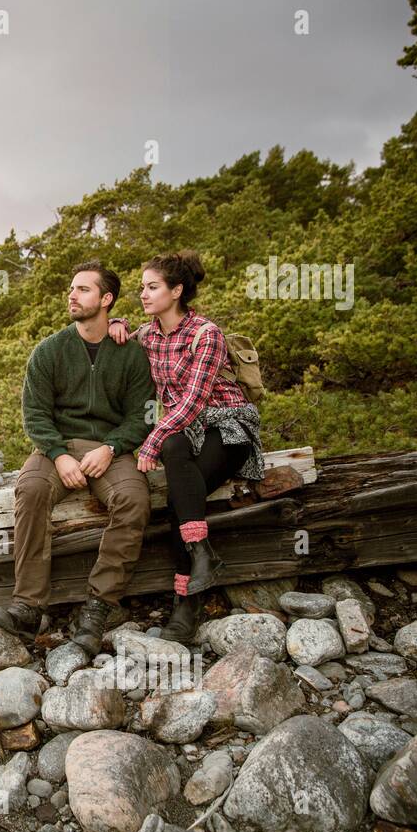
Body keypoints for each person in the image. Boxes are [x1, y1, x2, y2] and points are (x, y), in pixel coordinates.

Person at [0, 261, 155, 655]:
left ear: (106, 299)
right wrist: (58, 455)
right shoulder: (50, 350)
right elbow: (35, 413)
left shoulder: (131, 354)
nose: (72, 295)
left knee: (134, 500)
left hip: (110, 450)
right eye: (72, 288)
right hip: (57, 447)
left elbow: (143, 414)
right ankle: (29, 605)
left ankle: (99, 606)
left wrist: (112, 447)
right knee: (29, 491)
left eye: (83, 289)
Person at [107, 250, 265, 644]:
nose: (143, 293)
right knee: (178, 462)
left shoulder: (204, 334)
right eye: (142, 287)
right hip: (185, 434)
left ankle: (187, 601)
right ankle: (198, 561)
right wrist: (117, 324)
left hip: (228, 428)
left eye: (152, 287)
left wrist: (151, 443)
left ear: (176, 290)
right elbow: (124, 330)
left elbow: (194, 401)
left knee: (178, 486)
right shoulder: (148, 334)